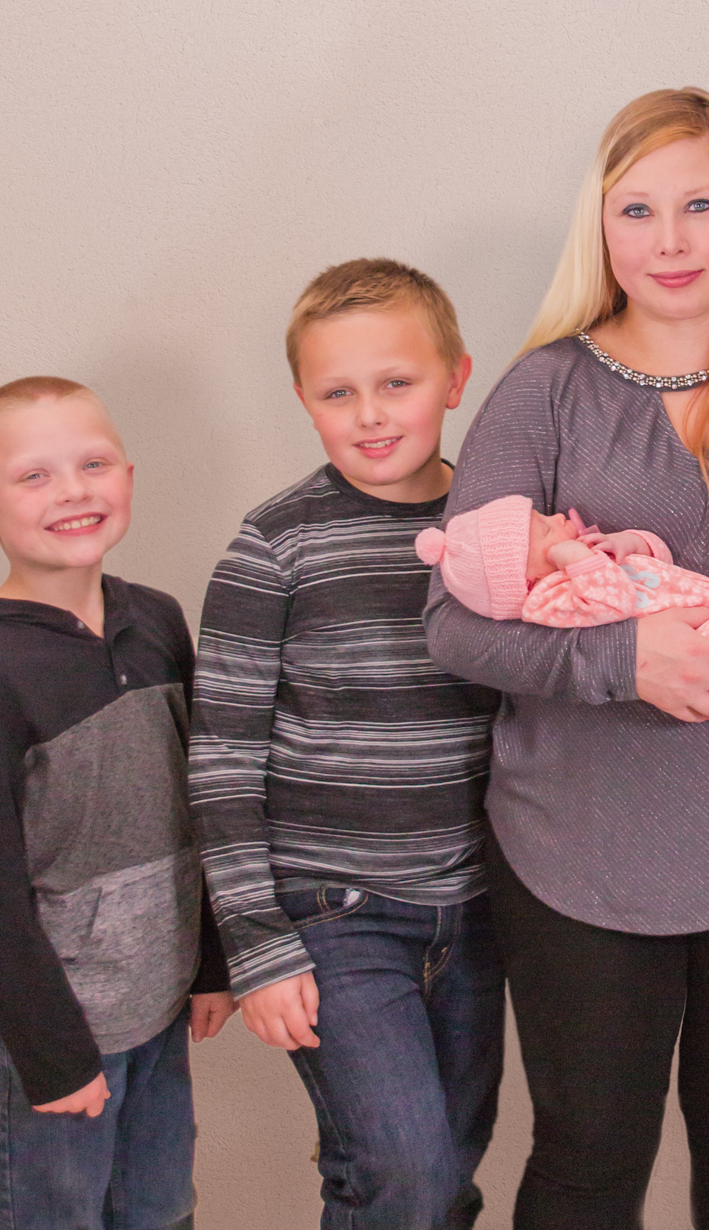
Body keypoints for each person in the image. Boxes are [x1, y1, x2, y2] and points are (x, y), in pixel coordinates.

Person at [423, 87, 709, 1229]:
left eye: (700, 205)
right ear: (602, 227)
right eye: (637, 210)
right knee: (589, 1153)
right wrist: (621, 659)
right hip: (576, 856)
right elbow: (450, 624)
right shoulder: (545, 390)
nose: (669, 241)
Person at [186, 260, 503, 1228]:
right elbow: (221, 759)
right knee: (408, 1170)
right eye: (337, 393)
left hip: (478, 911)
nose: (370, 415)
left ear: (455, 378)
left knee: (439, 1170)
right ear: (303, 401)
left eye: (396, 382)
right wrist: (256, 944)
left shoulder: (498, 530)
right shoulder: (276, 545)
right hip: (335, 913)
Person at [0, 376, 234, 1229]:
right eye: (34, 476)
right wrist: (52, 1051)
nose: (72, 490)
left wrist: (210, 961)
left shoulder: (157, 621)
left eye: (93, 464)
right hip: (55, 1023)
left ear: (127, 476)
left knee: (160, 1208)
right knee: (56, 1215)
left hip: (158, 994)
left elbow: (198, 801)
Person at [418, 495, 709, 787]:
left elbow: (656, 569)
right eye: (544, 528)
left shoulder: (584, 564)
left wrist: (630, 543)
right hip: (703, 646)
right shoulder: (551, 596)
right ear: (525, 576)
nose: (555, 517)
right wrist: (579, 559)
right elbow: (614, 603)